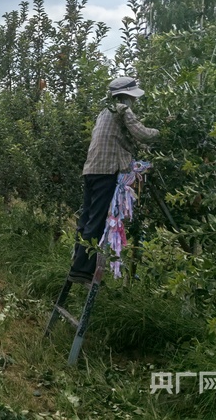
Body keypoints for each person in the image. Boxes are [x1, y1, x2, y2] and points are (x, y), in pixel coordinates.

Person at [68, 77, 160, 283]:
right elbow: (142, 134)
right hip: (107, 171)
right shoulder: (122, 110)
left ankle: (77, 262)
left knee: (86, 217)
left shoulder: (104, 113)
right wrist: (163, 133)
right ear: (126, 97)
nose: (134, 103)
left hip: (91, 168)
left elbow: (124, 138)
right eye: (132, 98)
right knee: (98, 219)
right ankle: (83, 271)